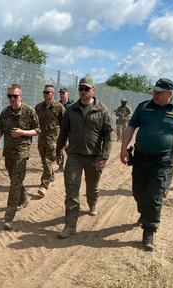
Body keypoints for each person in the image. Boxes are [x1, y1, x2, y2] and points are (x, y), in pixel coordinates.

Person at [120, 78, 173, 251]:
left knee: (155, 195)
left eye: (159, 92)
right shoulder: (144, 107)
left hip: (163, 160)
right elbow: (130, 128)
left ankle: (149, 231)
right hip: (141, 158)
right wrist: (123, 149)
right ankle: (144, 212)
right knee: (138, 192)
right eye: (154, 91)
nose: (155, 94)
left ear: (170, 94)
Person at [56, 76, 113, 239]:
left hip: (94, 157)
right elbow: (63, 132)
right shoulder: (71, 109)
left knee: (92, 187)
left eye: (86, 89)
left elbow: (108, 135)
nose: (82, 91)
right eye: (80, 88)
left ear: (93, 90)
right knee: (71, 191)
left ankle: (93, 202)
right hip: (74, 156)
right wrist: (58, 151)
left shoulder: (102, 110)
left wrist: (103, 157)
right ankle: (70, 225)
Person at [0, 84, 40, 230]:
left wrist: (23, 132)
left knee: (15, 182)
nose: (12, 99)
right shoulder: (5, 112)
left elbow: (37, 130)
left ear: (20, 96)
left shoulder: (29, 111)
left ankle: (8, 217)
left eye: (15, 96)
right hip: (9, 152)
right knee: (15, 178)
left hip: (22, 152)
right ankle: (23, 198)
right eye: (9, 96)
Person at [35, 84, 65, 198]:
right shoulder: (38, 107)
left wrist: (65, 140)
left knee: (48, 160)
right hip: (41, 139)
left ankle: (44, 184)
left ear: (53, 94)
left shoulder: (59, 107)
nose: (45, 94)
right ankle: (51, 176)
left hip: (54, 140)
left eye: (48, 92)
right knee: (44, 161)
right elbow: (33, 121)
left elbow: (65, 125)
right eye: (44, 92)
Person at [56, 88, 75, 172]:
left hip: (70, 130)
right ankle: (60, 167)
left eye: (63, 93)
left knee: (69, 149)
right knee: (59, 148)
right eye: (60, 93)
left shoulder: (72, 105)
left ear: (67, 94)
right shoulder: (57, 104)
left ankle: (73, 165)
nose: (61, 94)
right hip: (59, 130)